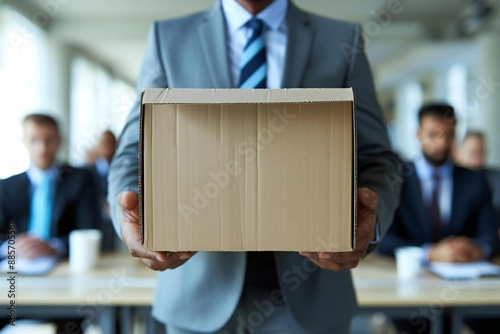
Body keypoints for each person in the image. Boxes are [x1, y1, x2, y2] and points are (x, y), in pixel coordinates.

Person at [108, 0, 401, 333]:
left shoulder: (340, 38)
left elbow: (378, 157)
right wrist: (132, 219)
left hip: (311, 288)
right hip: (196, 289)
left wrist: (368, 223)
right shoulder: (169, 37)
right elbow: (133, 153)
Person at [378, 104, 500, 334]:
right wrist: (430, 253)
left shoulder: (474, 180)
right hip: (411, 289)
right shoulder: (396, 181)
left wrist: (477, 249)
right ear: (418, 134)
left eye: (449, 135)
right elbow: (384, 240)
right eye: (433, 134)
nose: (442, 143)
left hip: (468, 289)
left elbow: (490, 234)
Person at [0, 113, 100, 259]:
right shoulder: (5, 187)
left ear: (59, 140)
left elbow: (88, 230)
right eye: (34, 140)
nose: (42, 148)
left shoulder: (81, 179)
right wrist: (9, 248)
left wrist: (54, 247)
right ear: (24, 141)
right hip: (15, 266)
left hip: (65, 265)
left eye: (49, 140)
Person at [454, 131, 500, 223]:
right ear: (456, 153)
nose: (479, 160)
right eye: (473, 153)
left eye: (482, 153)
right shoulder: (445, 180)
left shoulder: (496, 179)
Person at [89, 130, 118, 251]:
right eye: (104, 143)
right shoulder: (89, 168)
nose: (107, 146)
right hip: (95, 213)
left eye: (111, 143)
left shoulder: (119, 167)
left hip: (113, 212)